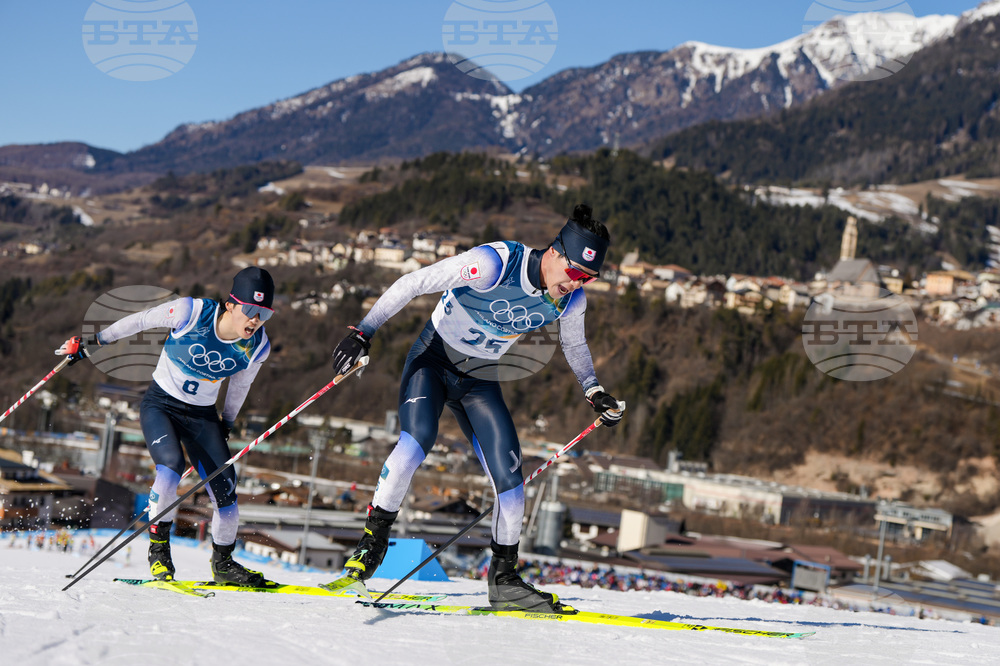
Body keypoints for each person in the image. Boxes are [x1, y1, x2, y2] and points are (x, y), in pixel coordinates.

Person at [329, 204, 625, 611]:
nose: (577, 284)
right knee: (413, 448)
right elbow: (414, 282)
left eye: (588, 278)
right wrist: (363, 332)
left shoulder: (570, 302)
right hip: (432, 362)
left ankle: (503, 578)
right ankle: (370, 547)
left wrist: (595, 391)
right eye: (575, 272)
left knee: (512, 482)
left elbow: (574, 346)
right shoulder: (494, 263)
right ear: (555, 252)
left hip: (480, 380)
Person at [56, 267, 276, 586]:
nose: (256, 320)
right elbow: (141, 320)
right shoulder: (192, 312)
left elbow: (240, 387)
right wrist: (93, 343)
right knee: (170, 467)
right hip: (162, 405)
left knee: (227, 493)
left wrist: (226, 423)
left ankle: (223, 564)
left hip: (202, 417)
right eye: (251, 311)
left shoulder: (257, 347)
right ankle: (159, 552)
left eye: (264, 314)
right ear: (231, 304)